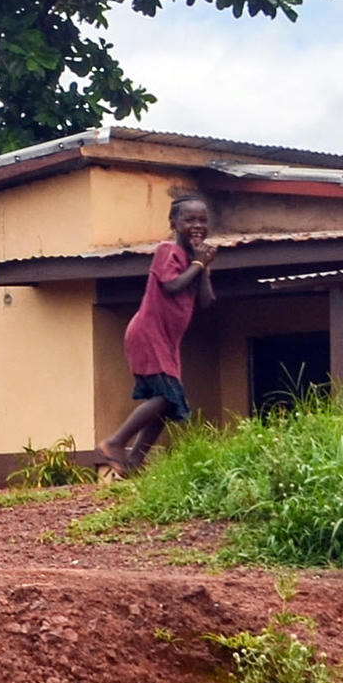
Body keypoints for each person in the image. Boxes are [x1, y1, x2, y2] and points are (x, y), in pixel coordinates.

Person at [107, 192, 219, 475]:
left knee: (169, 406)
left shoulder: (194, 260)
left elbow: (206, 302)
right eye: (189, 219)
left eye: (203, 220)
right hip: (148, 333)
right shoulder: (166, 251)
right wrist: (197, 265)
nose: (197, 225)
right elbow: (171, 286)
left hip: (168, 340)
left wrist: (202, 266)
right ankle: (115, 442)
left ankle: (134, 462)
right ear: (173, 222)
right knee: (169, 398)